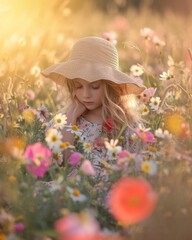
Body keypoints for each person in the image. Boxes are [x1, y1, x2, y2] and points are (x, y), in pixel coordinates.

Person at [41, 36, 146, 177]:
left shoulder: (127, 125)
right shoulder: (64, 120)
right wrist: (71, 117)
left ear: (110, 87)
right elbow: (61, 166)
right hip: (69, 190)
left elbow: (138, 167)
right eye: (78, 86)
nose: (86, 94)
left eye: (95, 87)